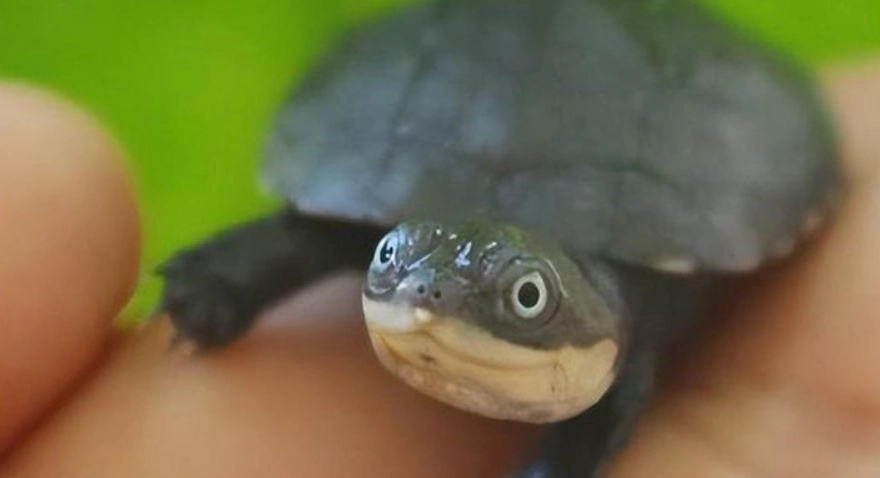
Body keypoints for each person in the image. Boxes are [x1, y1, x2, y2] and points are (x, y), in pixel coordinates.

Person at [0, 62, 878, 477]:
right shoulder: (408, 266)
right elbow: (325, 233)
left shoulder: (652, 297)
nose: (423, 305)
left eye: (523, 301)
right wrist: (222, 288)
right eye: (394, 267)